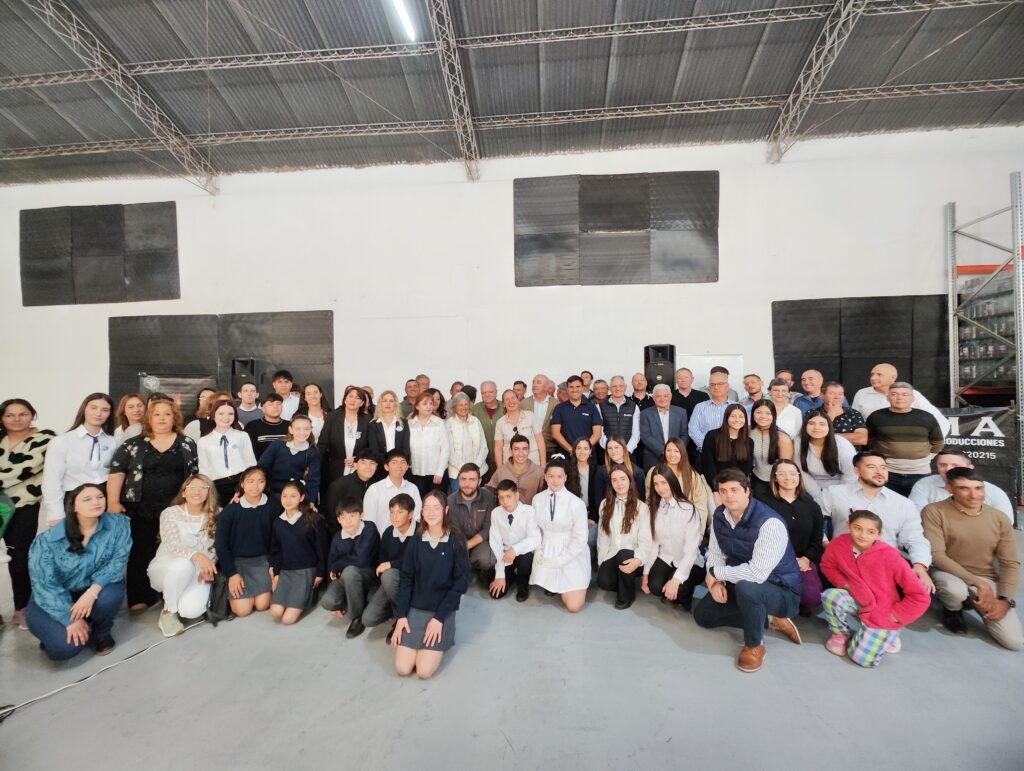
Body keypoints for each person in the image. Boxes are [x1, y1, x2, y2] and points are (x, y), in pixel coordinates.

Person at [694, 469, 804, 673]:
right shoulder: (720, 515)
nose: (729, 495)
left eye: (734, 490)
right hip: (740, 578)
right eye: (723, 491)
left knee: (748, 587)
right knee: (704, 616)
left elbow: (757, 574)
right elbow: (716, 553)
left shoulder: (770, 523)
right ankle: (770, 619)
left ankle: (754, 644)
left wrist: (716, 573)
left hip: (780, 589)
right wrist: (716, 581)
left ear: (747, 491)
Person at [107, 397, 198, 612]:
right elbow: (117, 471)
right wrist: (112, 501)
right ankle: (141, 596)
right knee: (141, 551)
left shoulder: (187, 443)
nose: (162, 418)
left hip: (176, 508)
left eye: (167, 414)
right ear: (149, 418)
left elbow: (196, 474)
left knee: (175, 550)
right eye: (157, 414)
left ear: (174, 418)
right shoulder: (133, 444)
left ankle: (171, 592)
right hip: (140, 507)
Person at [25, 483, 130, 660]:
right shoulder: (47, 541)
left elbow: (117, 560)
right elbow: (45, 584)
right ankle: (55, 631)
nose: (96, 502)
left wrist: (91, 593)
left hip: (92, 588)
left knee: (110, 594)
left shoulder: (118, 524)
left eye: (100, 497)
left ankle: (101, 632)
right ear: (73, 506)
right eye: (87, 499)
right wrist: (70, 619)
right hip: (52, 597)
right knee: (65, 649)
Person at [923, 468, 1021, 649]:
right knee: (955, 590)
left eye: (978, 488)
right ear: (949, 488)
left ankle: (970, 599)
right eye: (964, 488)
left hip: (985, 576)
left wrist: (1005, 599)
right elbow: (937, 555)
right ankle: (953, 609)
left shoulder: (999, 518)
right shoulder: (934, 511)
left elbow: (1009, 562)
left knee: (1014, 642)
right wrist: (978, 583)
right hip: (948, 573)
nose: (974, 495)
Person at [820, 510, 931, 667]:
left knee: (861, 659)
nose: (863, 535)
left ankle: (889, 635)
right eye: (857, 528)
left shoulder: (890, 556)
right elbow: (827, 566)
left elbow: (920, 596)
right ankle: (841, 635)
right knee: (831, 596)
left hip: (883, 611)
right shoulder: (838, 545)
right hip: (859, 599)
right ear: (848, 526)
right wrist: (845, 584)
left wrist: (896, 616)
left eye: (870, 532)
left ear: (879, 535)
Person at [821, 451, 935, 593]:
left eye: (883, 468)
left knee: (920, 591)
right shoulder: (834, 493)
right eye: (871, 467)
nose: (879, 472)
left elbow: (915, 538)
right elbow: (813, 521)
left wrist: (920, 565)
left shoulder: (903, 503)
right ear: (857, 471)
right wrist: (826, 544)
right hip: (844, 562)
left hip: (885, 566)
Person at [392, 489, 469, 679]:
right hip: (417, 608)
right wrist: (401, 616)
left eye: (436, 508)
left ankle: (439, 638)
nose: (431, 512)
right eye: (427, 508)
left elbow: (460, 585)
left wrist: (439, 619)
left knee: (424, 671)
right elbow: (407, 580)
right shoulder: (416, 541)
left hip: (441, 610)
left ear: (446, 510)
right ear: (422, 511)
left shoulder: (456, 541)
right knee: (402, 668)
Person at [0, 398, 55, 630]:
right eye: (10, 415)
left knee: (20, 561)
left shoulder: (45, 439)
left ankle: (22, 609)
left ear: (32, 415)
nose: (16, 419)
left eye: (23, 414)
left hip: (24, 507)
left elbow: (22, 469)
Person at [147, 474, 219, 637]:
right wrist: (198, 556)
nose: (197, 492)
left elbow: (219, 547)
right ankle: (168, 612)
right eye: (192, 488)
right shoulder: (170, 513)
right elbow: (172, 544)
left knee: (191, 611)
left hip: (198, 572)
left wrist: (210, 564)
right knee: (182, 565)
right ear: (184, 492)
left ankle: (175, 597)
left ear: (209, 492)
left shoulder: (217, 514)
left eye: (202, 488)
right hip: (167, 568)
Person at [756, 460, 825, 616]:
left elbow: (816, 538)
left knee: (812, 596)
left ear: (799, 477)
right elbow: (755, 534)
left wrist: (806, 559)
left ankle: (795, 601)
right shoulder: (764, 503)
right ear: (775, 478)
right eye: (782, 474)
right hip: (771, 559)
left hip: (801, 560)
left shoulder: (812, 506)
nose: (788, 478)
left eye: (793, 473)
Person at [41, 392, 116, 526]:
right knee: (75, 539)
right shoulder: (61, 441)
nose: (98, 413)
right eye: (93, 408)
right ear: (84, 409)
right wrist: (55, 514)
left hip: (103, 501)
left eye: (105, 410)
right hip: (74, 501)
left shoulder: (112, 441)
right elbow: (51, 481)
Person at [214, 466, 278, 618]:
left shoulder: (273, 505)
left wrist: (274, 565)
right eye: (250, 481)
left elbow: (278, 538)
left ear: (266, 483)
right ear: (242, 484)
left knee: (262, 605)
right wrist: (232, 574)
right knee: (242, 611)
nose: (255, 486)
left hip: (263, 561)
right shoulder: (230, 510)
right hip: (238, 563)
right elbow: (221, 545)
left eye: (260, 481)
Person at [529, 456, 590, 612]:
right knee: (552, 582)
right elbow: (534, 529)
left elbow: (580, 539)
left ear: (565, 478)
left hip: (571, 552)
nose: (555, 481)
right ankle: (554, 583)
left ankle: (567, 585)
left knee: (573, 606)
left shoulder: (576, 503)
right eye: (551, 476)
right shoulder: (537, 499)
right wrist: (537, 549)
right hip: (547, 548)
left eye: (559, 476)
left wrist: (561, 560)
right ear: (545, 477)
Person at [639, 465, 704, 609]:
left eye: (664, 482)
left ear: (672, 482)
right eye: (656, 484)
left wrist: (676, 580)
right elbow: (654, 544)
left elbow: (691, 552)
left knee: (679, 590)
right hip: (667, 557)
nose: (660, 488)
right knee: (654, 586)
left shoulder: (689, 510)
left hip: (690, 562)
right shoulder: (656, 507)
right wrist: (646, 573)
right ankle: (670, 586)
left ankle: (683, 593)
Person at [866, 382, 945, 497]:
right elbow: (869, 441)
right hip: (887, 472)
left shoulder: (927, 417)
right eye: (894, 394)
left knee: (919, 506)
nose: (899, 398)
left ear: (912, 398)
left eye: (905, 394)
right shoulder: (876, 417)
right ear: (888, 398)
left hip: (920, 473)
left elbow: (938, 442)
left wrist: (926, 458)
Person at [320, 498, 380, 639]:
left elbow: (362, 560)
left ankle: (356, 617)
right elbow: (331, 567)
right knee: (328, 601)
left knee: (350, 572)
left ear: (361, 515)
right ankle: (354, 600)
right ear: (338, 520)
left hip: (369, 576)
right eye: (343, 517)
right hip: (348, 578)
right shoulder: (337, 537)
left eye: (352, 516)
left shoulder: (369, 528)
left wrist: (338, 565)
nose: (348, 521)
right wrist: (334, 573)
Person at [269, 480, 327, 625]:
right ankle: (296, 598)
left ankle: (309, 596)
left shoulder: (313, 519)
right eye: (284, 496)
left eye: (293, 496)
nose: (288, 500)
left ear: (301, 497)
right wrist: (276, 573)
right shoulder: (278, 522)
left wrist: (320, 572)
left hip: (306, 570)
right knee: (275, 612)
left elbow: (322, 548)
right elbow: (276, 550)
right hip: (286, 571)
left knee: (287, 619)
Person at [361, 492, 417, 640]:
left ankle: (402, 618)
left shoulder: (420, 532)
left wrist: (393, 564)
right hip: (392, 583)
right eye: (392, 512)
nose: (394, 516)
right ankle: (396, 610)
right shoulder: (388, 533)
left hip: (414, 582)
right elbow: (382, 563)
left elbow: (418, 563)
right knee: (368, 619)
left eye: (400, 512)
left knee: (389, 574)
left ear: (410, 514)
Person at [909, 448, 1014, 523]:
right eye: (943, 465)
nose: (948, 469)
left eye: (955, 465)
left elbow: (1006, 522)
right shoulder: (924, 485)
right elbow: (916, 518)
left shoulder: (992, 491)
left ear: (970, 468)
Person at [597, 466, 648, 609]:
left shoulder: (641, 507)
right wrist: (601, 561)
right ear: (611, 484)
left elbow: (645, 540)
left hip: (634, 556)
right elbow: (603, 536)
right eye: (614, 480)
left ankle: (626, 596)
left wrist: (638, 559)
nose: (619, 483)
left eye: (622, 479)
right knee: (604, 582)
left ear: (630, 481)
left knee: (624, 554)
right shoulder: (605, 504)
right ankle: (624, 581)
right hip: (613, 553)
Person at [852, 362, 951, 435]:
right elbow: (854, 422)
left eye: (879, 375)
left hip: (906, 444)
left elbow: (941, 421)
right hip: (873, 447)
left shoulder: (911, 394)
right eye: (872, 374)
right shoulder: (862, 394)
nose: (873, 378)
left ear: (893, 377)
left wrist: (931, 449)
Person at [487, 479, 541, 602]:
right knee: (496, 594)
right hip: (505, 554)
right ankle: (510, 575)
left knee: (525, 559)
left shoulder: (528, 511)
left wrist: (515, 549)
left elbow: (535, 538)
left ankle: (522, 583)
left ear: (516, 495)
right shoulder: (495, 513)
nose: (505, 502)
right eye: (501, 498)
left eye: (508, 496)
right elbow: (495, 543)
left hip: (523, 552)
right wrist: (500, 574)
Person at [196, 399, 257, 504]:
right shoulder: (203, 441)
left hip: (241, 483)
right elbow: (204, 471)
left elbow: (251, 464)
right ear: (213, 416)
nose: (226, 417)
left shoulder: (242, 436)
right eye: (221, 413)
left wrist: (242, 489)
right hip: (217, 486)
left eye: (230, 414)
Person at [446, 463, 497, 584]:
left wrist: (467, 546)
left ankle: (478, 566)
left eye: (472, 480)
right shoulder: (450, 500)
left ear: (479, 481)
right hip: (459, 541)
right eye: (463, 479)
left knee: (486, 559)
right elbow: (455, 530)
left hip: (481, 541)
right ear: (458, 480)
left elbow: (488, 528)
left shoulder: (489, 498)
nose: (467, 484)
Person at [642, 438, 711, 527]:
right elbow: (649, 499)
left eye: (676, 451)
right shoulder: (654, 471)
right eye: (669, 450)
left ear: (682, 453)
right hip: (661, 521)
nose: (672, 454)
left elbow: (700, 503)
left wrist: (699, 529)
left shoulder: (692, 475)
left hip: (686, 522)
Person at [793, 410, 856, 504]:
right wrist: (818, 495)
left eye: (822, 424)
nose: (816, 427)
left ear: (829, 427)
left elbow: (851, 474)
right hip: (811, 488)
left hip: (841, 487)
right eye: (811, 423)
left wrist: (839, 495)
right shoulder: (798, 442)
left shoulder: (842, 443)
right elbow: (800, 471)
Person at [258, 414, 321, 506]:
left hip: (295, 495)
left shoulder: (312, 452)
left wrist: (311, 501)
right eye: (298, 429)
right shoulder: (278, 445)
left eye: (306, 429)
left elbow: (313, 479)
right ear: (290, 430)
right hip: (273, 492)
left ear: (311, 429)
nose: (302, 432)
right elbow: (261, 467)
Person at [318, 385, 370, 490]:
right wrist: (314, 464)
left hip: (358, 469)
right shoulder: (332, 417)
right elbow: (322, 443)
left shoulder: (367, 420)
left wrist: (358, 458)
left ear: (362, 403)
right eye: (350, 396)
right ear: (345, 399)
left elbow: (370, 446)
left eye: (357, 398)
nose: (353, 400)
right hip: (335, 469)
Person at [321, 448, 380, 534]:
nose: (368, 467)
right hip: (344, 535)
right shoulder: (339, 485)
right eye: (363, 463)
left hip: (369, 534)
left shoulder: (377, 485)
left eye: (372, 463)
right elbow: (331, 518)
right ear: (355, 465)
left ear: (376, 466)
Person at [362, 450, 422, 531]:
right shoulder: (375, 489)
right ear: (386, 467)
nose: (399, 466)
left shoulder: (412, 488)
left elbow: (417, 517)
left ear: (407, 466)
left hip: (409, 537)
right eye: (394, 462)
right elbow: (369, 521)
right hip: (382, 537)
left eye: (403, 462)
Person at [407, 391, 451, 496]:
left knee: (437, 502)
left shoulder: (439, 423)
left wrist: (439, 472)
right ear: (417, 406)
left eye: (431, 403)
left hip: (436, 474)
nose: (429, 406)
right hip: (415, 473)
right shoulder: (409, 424)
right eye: (425, 403)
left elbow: (445, 449)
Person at [701, 404, 754, 491]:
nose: (737, 420)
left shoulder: (749, 442)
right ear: (726, 418)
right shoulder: (712, 436)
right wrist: (716, 489)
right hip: (715, 485)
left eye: (741, 417)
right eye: (733, 416)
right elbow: (708, 465)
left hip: (737, 486)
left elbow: (746, 470)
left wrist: (736, 488)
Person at [749, 399, 793, 498]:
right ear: (753, 414)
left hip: (777, 481)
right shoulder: (748, 431)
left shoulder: (782, 438)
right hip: (756, 477)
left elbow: (785, 468)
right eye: (759, 412)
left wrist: (777, 486)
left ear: (774, 416)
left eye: (768, 413)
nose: (763, 416)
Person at [639, 384, 688, 470]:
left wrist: (675, 451)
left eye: (665, 396)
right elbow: (645, 436)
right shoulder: (645, 414)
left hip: (676, 457)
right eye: (658, 396)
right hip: (653, 457)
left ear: (670, 397)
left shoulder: (681, 412)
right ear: (653, 398)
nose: (662, 399)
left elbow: (685, 434)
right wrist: (665, 451)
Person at [551, 375, 603, 455]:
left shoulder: (592, 408)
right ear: (567, 389)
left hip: (587, 455)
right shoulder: (559, 408)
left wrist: (584, 449)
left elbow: (597, 433)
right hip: (565, 455)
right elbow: (555, 433)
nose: (574, 390)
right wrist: (571, 450)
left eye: (578, 386)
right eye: (571, 387)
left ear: (582, 388)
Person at [446, 392, 488, 490]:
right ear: (455, 406)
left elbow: (484, 447)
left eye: (466, 404)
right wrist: (464, 468)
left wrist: (476, 467)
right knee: (459, 498)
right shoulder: (449, 424)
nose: (463, 407)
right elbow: (449, 451)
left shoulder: (476, 421)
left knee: (476, 498)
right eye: (460, 405)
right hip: (457, 472)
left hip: (478, 470)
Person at [487, 434, 544, 505]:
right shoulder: (501, 471)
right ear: (510, 451)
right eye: (516, 449)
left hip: (530, 511)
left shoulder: (539, 472)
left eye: (524, 449)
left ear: (529, 451)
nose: (521, 454)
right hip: (505, 511)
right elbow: (489, 492)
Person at [494, 389, 545, 467]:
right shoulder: (500, 422)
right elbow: (498, 448)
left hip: (533, 464)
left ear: (518, 400)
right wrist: (500, 469)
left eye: (513, 398)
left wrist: (543, 465)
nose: (511, 401)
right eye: (507, 399)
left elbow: (540, 442)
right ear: (503, 404)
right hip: (510, 466)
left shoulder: (530, 416)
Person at [688, 369, 735, 453]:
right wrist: (707, 446)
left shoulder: (737, 407)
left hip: (732, 451)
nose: (716, 387)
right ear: (709, 387)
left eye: (720, 384)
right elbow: (693, 429)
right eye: (712, 384)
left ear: (727, 386)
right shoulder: (700, 407)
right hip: (706, 452)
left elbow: (744, 429)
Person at [594, 436, 646, 504]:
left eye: (616, 447)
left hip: (632, 509)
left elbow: (640, 499)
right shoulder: (601, 471)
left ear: (624, 448)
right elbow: (598, 500)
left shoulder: (637, 471)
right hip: (608, 509)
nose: (613, 451)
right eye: (610, 448)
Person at [565, 437, 600, 539]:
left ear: (590, 451)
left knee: (590, 539)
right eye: (579, 448)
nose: (582, 452)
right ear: (574, 451)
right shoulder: (567, 471)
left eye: (585, 448)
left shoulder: (596, 471)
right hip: (571, 515)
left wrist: (592, 518)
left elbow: (599, 499)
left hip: (591, 514)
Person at [598, 376, 641, 455]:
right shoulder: (600, 406)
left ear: (625, 387)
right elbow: (599, 433)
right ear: (609, 388)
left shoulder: (634, 406)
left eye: (620, 386)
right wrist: (610, 449)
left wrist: (627, 450)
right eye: (614, 386)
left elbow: (636, 434)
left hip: (628, 453)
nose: (617, 389)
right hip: (607, 452)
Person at [470, 381, 504, 478]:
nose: (487, 395)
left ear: (496, 392)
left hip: (503, 458)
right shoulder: (475, 409)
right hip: (482, 460)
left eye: (490, 392)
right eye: (484, 393)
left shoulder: (505, 407)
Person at [244, 394, 290, 461]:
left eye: (278, 404)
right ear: (263, 409)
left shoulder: (290, 425)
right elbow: (248, 452)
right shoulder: (252, 426)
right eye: (271, 404)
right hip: (260, 465)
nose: (275, 407)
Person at [368, 390, 410, 461]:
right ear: (380, 404)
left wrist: (396, 462)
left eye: (391, 401)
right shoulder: (373, 425)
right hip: (381, 464)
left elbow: (406, 448)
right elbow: (374, 450)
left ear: (395, 404)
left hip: (400, 464)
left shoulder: (404, 423)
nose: (388, 403)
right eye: (385, 401)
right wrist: (387, 463)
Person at [821, 381, 867, 446]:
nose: (837, 397)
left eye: (840, 394)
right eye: (832, 393)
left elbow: (862, 439)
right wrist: (831, 415)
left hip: (851, 452)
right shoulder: (814, 413)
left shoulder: (853, 413)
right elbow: (812, 437)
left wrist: (828, 437)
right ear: (822, 395)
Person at [522, 374, 557, 458]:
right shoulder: (523, 403)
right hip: (528, 450)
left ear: (547, 386)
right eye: (533, 382)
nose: (534, 385)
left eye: (538, 382)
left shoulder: (556, 404)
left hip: (549, 449)